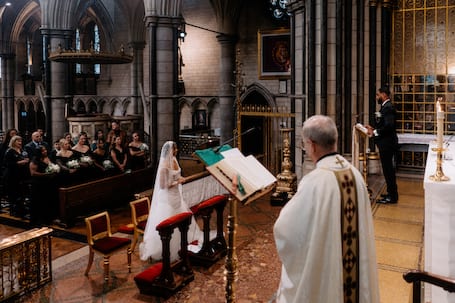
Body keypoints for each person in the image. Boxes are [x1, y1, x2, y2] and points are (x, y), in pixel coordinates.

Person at [272, 115, 379, 303]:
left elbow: (285, 229)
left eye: (305, 144)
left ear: (312, 145)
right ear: (334, 140)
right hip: (354, 274)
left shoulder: (314, 181)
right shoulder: (354, 174)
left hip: (329, 277)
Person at [139, 141, 203, 262]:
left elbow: (177, 174)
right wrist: (177, 182)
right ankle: (167, 248)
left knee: (181, 219)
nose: (176, 151)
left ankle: (183, 242)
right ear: (169, 150)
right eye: (175, 149)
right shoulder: (163, 165)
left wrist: (180, 178)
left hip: (176, 196)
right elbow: (163, 185)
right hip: (167, 198)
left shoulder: (174, 160)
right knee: (169, 220)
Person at [366, 86, 399, 204]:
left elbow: (389, 126)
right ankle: (391, 193)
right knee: (387, 170)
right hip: (386, 143)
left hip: (387, 144)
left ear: (384, 95)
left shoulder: (388, 108)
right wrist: (373, 128)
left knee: (388, 170)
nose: (376, 97)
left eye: (377, 95)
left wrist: (374, 132)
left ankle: (392, 196)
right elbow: (384, 124)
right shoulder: (385, 107)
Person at [29, 145, 60, 226]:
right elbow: (33, 173)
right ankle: (40, 220)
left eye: (45, 150)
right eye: (43, 151)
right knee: (40, 202)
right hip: (39, 185)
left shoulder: (48, 157)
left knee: (48, 201)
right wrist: (46, 174)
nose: (45, 151)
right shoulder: (34, 160)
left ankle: (49, 218)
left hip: (48, 184)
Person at [3, 135, 30, 217]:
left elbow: (25, 158)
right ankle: (13, 211)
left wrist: (26, 160)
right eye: (18, 141)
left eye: (20, 141)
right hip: (12, 176)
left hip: (21, 175)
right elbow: (7, 164)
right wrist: (19, 163)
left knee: (21, 194)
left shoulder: (22, 150)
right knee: (13, 194)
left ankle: (21, 210)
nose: (20, 143)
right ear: (13, 142)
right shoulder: (10, 151)